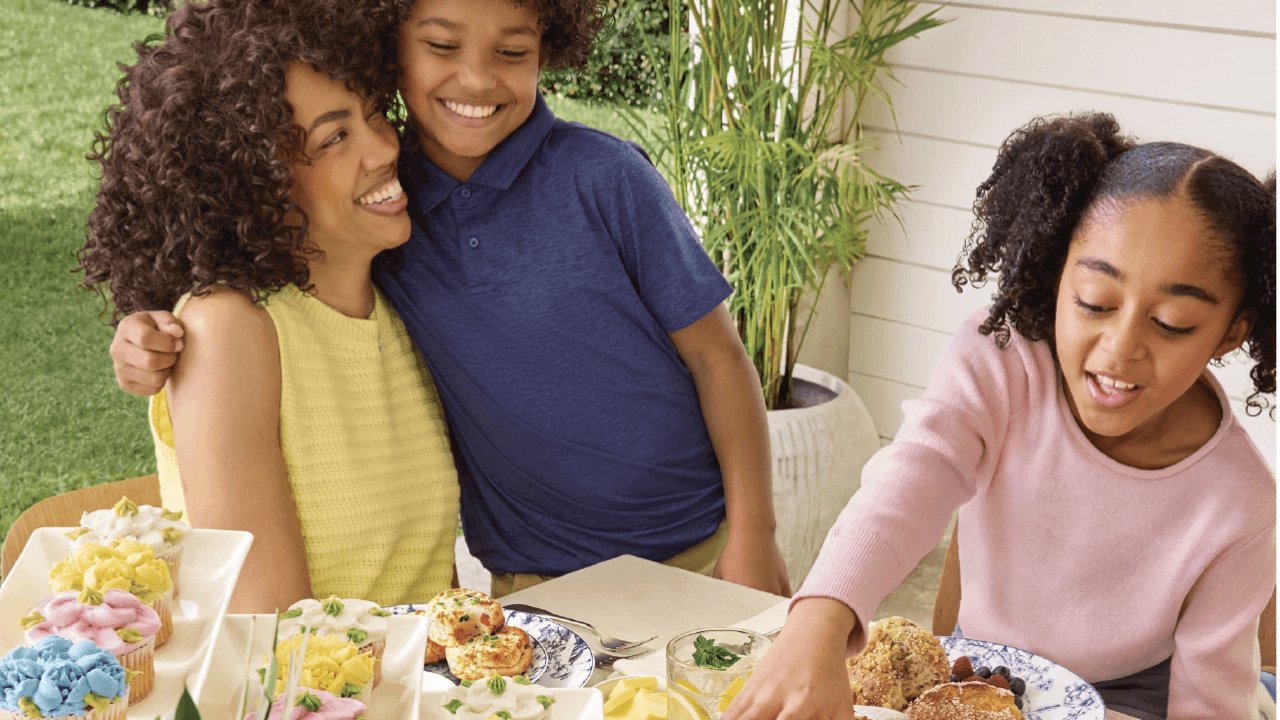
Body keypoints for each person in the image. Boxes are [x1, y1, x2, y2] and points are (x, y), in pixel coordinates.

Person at [105, 0, 791, 597]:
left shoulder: (584, 189)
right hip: (507, 601)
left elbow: (717, 359)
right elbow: (272, 641)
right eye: (440, 45)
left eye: (375, 116)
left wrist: (753, 531)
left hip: (677, 553)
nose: (381, 146)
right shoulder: (320, 271)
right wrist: (150, 331)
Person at [723, 113, 1275, 720]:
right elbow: (913, 478)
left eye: (1172, 324)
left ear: (1231, 333)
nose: (1120, 348)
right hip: (982, 671)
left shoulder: (1240, 499)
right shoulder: (1002, 362)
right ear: (1056, 268)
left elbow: (1210, 702)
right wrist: (818, 622)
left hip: (1133, 699)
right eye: (1094, 302)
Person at [78, 0, 459, 613]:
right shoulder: (227, 330)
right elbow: (267, 627)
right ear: (253, 183)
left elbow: (434, 586)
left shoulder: (399, 305)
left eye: (373, 114)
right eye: (334, 137)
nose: (384, 148)